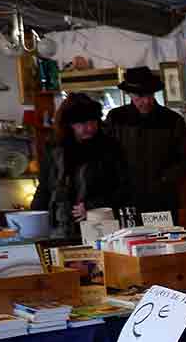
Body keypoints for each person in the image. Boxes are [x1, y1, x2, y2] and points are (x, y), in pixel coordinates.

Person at [31, 93, 131, 238]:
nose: (89, 128)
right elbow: (45, 188)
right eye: (82, 124)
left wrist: (92, 206)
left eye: (93, 122)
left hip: (99, 226)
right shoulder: (55, 149)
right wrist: (34, 218)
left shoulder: (110, 148)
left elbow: (124, 188)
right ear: (69, 125)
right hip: (60, 228)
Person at [107, 66, 186, 220]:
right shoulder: (116, 118)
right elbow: (107, 157)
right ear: (129, 94)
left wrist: (164, 179)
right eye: (140, 97)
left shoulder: (172, 120)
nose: (146, 101)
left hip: (162, 200)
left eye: (150, 95)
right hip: (125, 200)